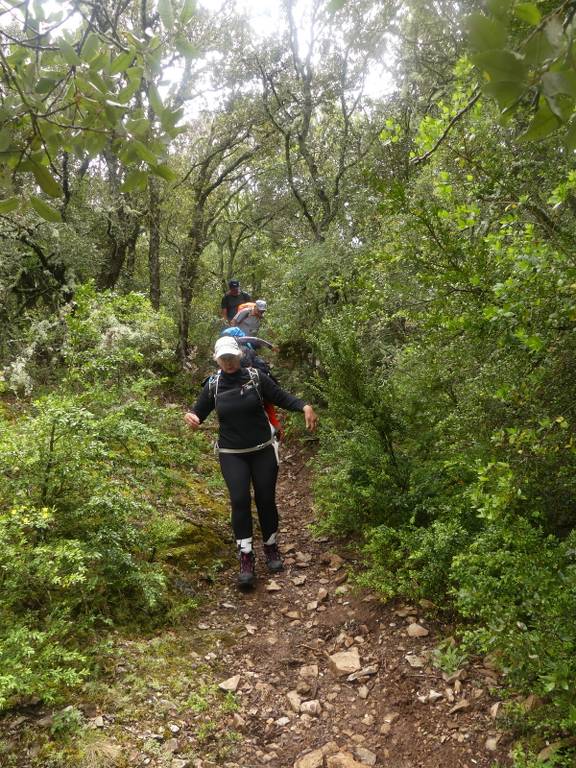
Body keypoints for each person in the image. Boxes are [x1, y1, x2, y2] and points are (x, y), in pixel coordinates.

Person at [184, 336, 318, 588]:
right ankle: (246, 556)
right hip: (231, 453)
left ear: (239, 356)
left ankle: (270, 547)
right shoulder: (213, 385)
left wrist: (304, 406)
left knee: (265, 499)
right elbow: (198, 414)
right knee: (239, 500)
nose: (228, 362)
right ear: (217, 360)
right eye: (223, 358)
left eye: (231, 357)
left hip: (262, 450)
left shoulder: (256, 378)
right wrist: (191, 418)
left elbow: (281, 397)